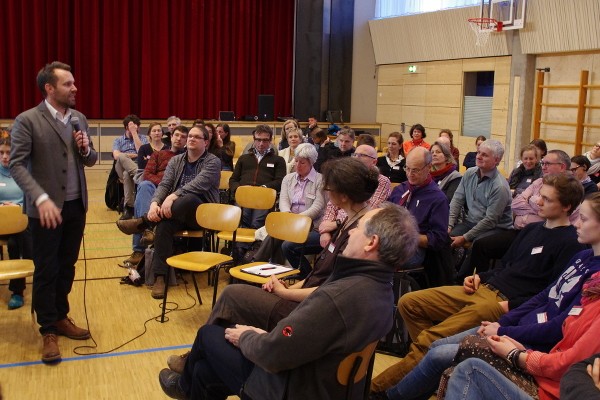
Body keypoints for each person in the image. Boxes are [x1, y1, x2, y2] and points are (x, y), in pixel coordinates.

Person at [159, 203, 420, 400]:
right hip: (327, 386)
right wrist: (267, 336)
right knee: (205, 372)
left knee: (207, 335)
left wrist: (250, 336)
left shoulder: (338, 297)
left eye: (357, 229)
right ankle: (190, 385)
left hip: (291, 389)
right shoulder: (383, 291)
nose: (350, 234)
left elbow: (273, 355)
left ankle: (184, 386)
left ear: (371, 243)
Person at [374, 186, 600, 400]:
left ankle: (380, 389)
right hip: (491, 293)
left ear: (566, 206)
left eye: (547, 199)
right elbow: (515, 273)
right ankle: (421, 373)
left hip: (506, 306)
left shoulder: (573, 246)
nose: (537, 202)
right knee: (410, 303)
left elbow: (556, 318)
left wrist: (506, 321)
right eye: (540, 195)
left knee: (433, 342)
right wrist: (481, 276)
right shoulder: (561, 245)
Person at [10, 61, 98, 363]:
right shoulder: (27, 120)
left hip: (76, 206)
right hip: (45, 211)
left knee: (68, 265)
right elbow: (16, 165)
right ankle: (47, 328)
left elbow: (90, 160)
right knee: (47, 269)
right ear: (49, 88)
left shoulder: (79, 119)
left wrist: (86, 149)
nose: (74, 88)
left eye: (73, 83)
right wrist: (40, 197)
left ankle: (61, 315)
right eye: (67, 84)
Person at [444, 269, 600, 400]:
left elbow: (568, 363)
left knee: (467, 367)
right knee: (453, 356)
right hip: (540, 366)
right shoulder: (593, 287)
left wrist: (515, 354)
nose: (576, 229)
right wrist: (520, 348)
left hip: (550, 388)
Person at [465, 149, 581, 279]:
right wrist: (537, 207)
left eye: (547, 163)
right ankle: (471, 279)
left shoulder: (570, 190)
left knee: (520, 260)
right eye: (542, 163)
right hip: (521, 231)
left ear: (562, 166)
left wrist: (531, 200)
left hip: (546, 237)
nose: (543, 167)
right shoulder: (539, 182)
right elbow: (516, 203)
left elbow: (561, 220)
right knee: (481, 245)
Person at [283, 148, 391, 279]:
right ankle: (306, 277)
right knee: (288, 245)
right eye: (355, 154)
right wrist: (325, 231)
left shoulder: (355, 233)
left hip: (323, 291)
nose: (327, 193)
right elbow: (330, 207)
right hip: (333, 229)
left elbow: (329, 286)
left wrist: (336, 223)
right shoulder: (348, 209)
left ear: (344, 196)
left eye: (329, 189)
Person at [143, 126, 220, 298]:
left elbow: (198, 185)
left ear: (206, 142)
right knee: (164, 226)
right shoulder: (176, 160)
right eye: (190, 136)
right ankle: (160, 277)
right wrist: (154, 204)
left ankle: (145, 222)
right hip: (176, 213)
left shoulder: (212, 161)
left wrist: (173, 196)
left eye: (197, 137)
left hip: (202, 215)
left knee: (190, 198)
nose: (191, 139)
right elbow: (164, 184)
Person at [116, 126, 189, 267]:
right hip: (155, 188)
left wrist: (167, 187)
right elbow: (147, 174)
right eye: (177, 135)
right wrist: (163, 184)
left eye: (183, 137)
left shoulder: (187, 157)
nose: (179, 139)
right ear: (171, 137)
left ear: (186, 141)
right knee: (144, 186)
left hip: (174, 193)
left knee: (144, 193)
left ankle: (140, 246)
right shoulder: (159, 155)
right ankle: (146, 235)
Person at [253, 144, 326, 278]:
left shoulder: (320, 180)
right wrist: (288, 216)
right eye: (296, 160)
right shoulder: (288, 178)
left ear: (312, 162)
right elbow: (284, 202)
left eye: (302, 162)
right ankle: (267, 270)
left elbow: (317, 207)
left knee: (277, 235)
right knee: (276, 233)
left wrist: (295, 220)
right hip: (289, 222)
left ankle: (257, 264)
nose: (297, 165)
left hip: (310, 225)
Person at [388, 147, 449, 269]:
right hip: (390, 240)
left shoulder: (437, 198)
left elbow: (438, 239)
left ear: (429, 167)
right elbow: (385, 215)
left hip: (415, 248)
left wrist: (407, 236)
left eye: (415, 170)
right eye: (407, 168)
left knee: (376, 260)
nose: (410, 174)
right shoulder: (401, 189)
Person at [447, 139, 512, 250]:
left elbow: (490, 220)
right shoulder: (469, 173)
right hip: (471, 222)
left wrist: (465, 237)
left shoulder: (499, 186)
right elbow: (457, 200)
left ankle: (469, 268)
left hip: (496, 228)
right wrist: (449, 225)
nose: (478, 157)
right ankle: (451, 267)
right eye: (478, 152)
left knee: (478, 245)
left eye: (484, 155)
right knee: (445, 239)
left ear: (496, 160)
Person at [229, 125, 286, 229]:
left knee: (257, 222)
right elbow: (233, 179)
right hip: (244, 195)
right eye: (258, 140)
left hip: (264, 197)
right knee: (242, 220)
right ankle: (242, 245)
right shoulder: (243, 158)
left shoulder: (278, 160)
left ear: (270, 141)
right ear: (253, 140)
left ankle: (256, 245)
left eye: (265, 140)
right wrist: (239, 190)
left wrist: (263, 189)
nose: (261, 144)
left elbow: (280, 181)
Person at [0, 134, 32, 309]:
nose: (5, 156)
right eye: (2, 153)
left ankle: (17, 291)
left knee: (14, 243)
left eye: (8, 153)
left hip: (19, 222)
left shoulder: (23, 172)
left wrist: (17, 206)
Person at [113, 114, 149, 219]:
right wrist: (131, 155)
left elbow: (142, 153)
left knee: (127, 174)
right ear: (126, 127)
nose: (134, 129)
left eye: (136, 127)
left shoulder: (143, 139)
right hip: (122, 166)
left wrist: (134, 134)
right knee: (122, 157)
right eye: (132, 127)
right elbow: (116, 156)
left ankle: (129, 208)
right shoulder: (118, 140)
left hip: (138, 165)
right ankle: (139, 175)